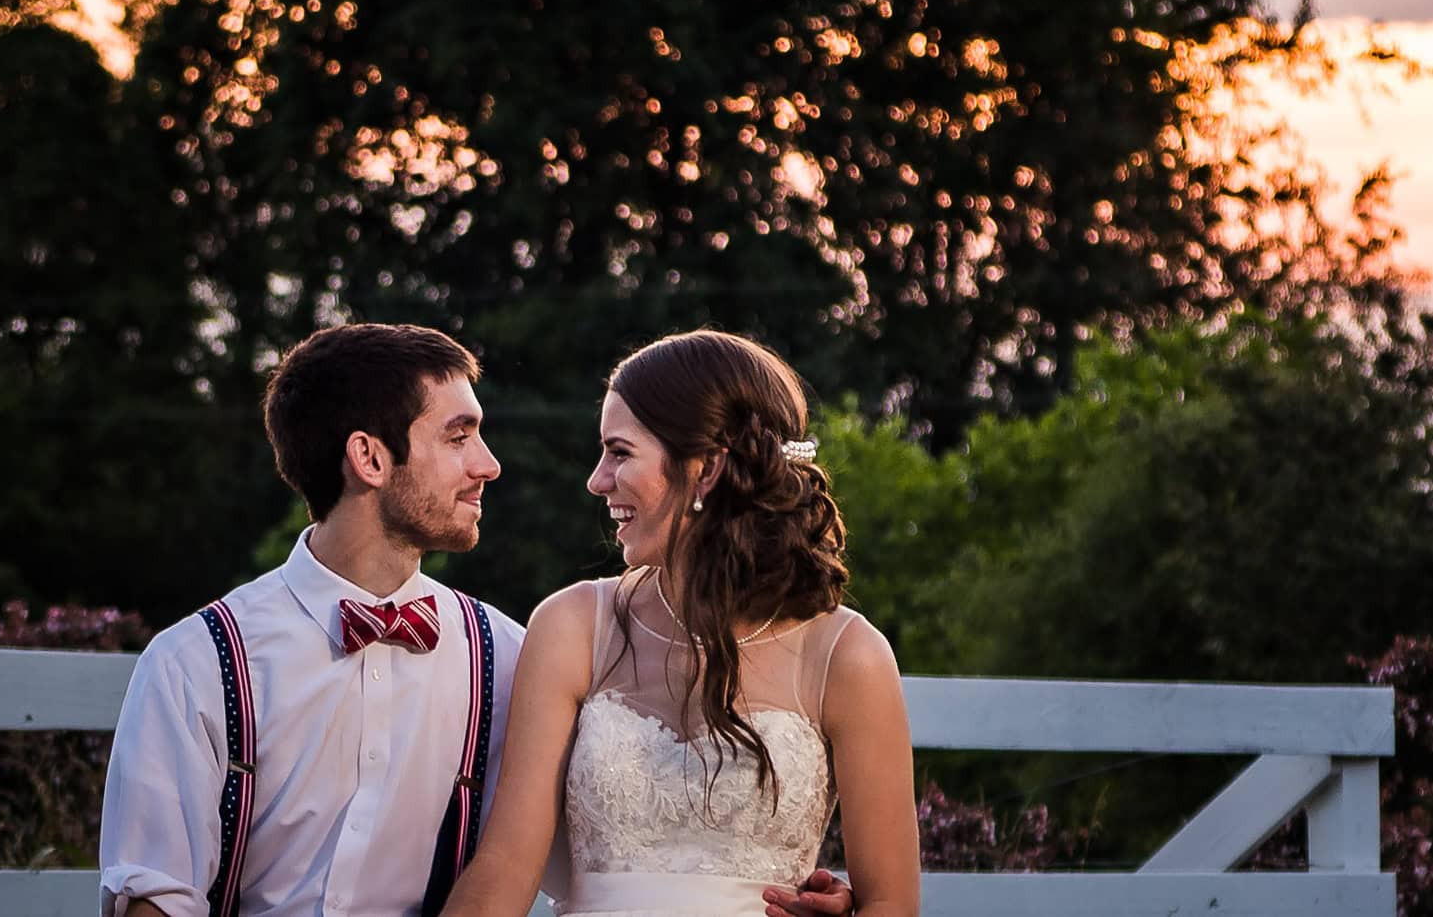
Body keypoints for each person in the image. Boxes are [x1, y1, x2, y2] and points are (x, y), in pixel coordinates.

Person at [97, 321, 853, 917]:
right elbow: (154, 898)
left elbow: (612, 849)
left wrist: (817, 890)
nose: (490, 463)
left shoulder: (510, 655)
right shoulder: (196, 663)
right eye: (459, 436)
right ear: (368, 456)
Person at [436, 329, 920, 917]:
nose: (597, 480)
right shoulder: (571, 626)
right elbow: (505, 866)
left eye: (619, 452)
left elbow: (891, 903)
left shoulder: (847, 654)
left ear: (707, 467)